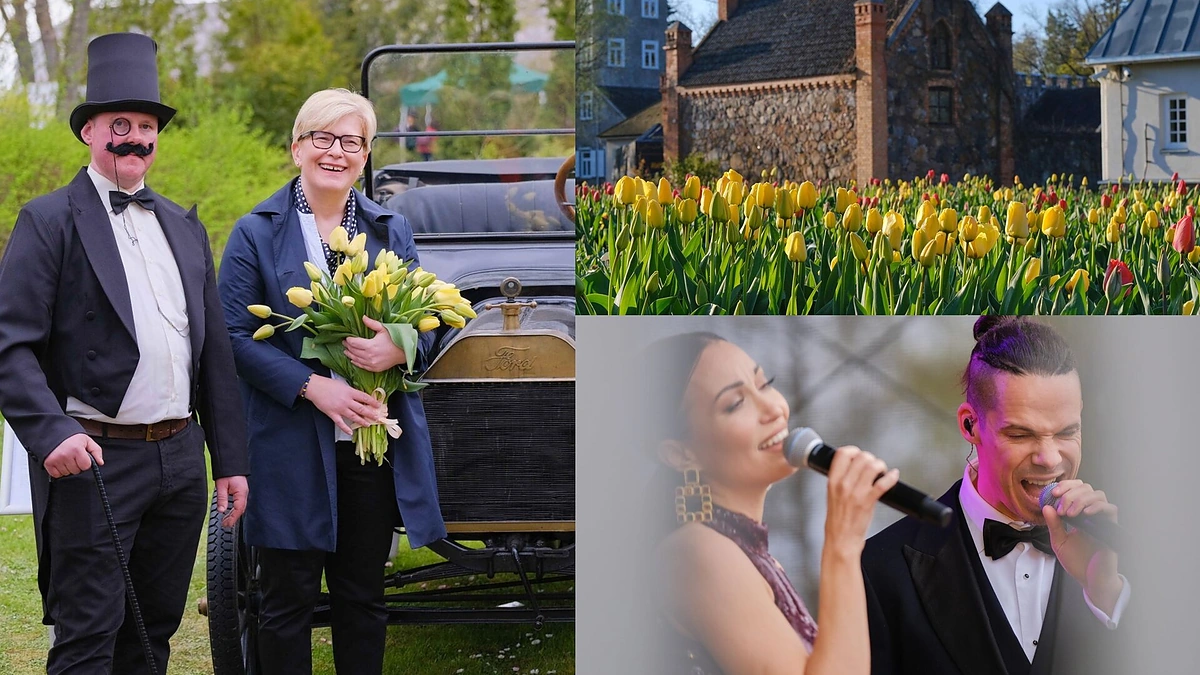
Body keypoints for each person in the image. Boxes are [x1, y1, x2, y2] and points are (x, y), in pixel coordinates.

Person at [0, 32, 249, 674]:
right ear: (88, 131)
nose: (135, 139)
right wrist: (51, 433)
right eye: (120, 125)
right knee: (88, 636)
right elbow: (9, 345)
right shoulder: (48, 220)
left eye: (146, 127)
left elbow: (213, 355)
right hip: (96, 457)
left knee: (152, 633)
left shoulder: (184, 226)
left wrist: (229, 461)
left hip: (180, 460)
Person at [217, 88, 447, 675]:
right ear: (297, 147)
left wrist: (398, 343)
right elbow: (233, 336)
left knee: (363, 598)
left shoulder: (390, 228)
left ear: (365, 156)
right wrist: (311, 386)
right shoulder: (255, 232)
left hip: (368, 448)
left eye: (351, 141)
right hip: (289, 443)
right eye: (322, 137)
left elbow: (428, 320)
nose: (336, 152)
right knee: (286, 601)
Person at [862, 316, 1131, 675]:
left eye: (1067, 433)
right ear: (970, 424)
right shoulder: (881, 568)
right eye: (1021, 435)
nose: (1049, 458)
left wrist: (1105, 593)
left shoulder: (1128, 551)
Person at [644, 332, 900, 675]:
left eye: (765, 384)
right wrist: (842, 546)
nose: (773, 409)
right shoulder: (697, 552)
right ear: (680, 453)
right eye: (735, 403)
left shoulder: (744, 551)